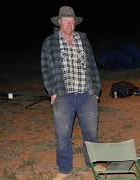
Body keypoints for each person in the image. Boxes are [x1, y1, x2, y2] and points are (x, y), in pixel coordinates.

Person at [41, 6, 101, 180]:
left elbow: (92, 65)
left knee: (91, 133)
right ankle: (65, 169)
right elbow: (45, 69)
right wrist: (52, 92)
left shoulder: (83, 39)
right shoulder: (50, 42)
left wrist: (96, 90)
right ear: (59, 22)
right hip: (63, 95)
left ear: (75, 23)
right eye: (66, 21)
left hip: (86, 94)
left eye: (72, 21)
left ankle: (93, 164)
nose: (69, 24)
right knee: (63, 134)